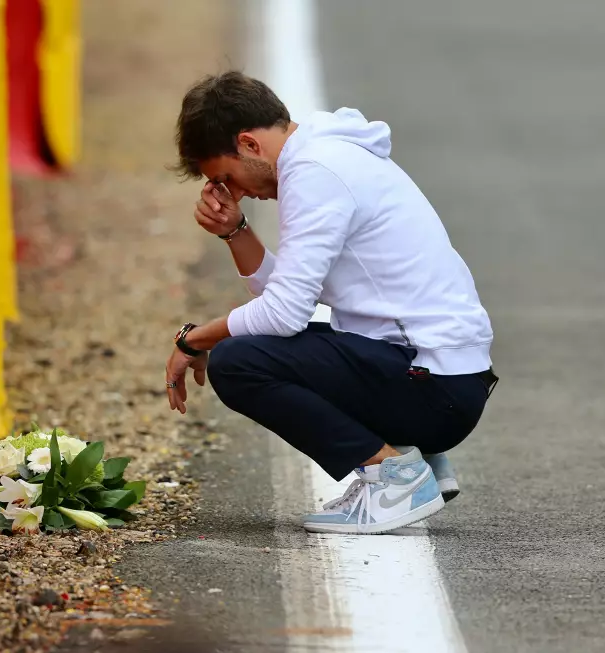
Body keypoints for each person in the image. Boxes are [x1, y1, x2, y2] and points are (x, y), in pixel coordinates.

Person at [164, 71, 498, 535]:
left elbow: (282, 314)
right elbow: (283, 297)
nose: (235, 191)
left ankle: (395, 476)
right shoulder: (325, 153)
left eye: (227, 177)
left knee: (238, 362)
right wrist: (233, 231)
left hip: (434, 388)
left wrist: (194, 339)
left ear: (249, 144)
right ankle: (417, 457)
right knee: (259, 345)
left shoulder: (315, 173)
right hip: (441, 377)